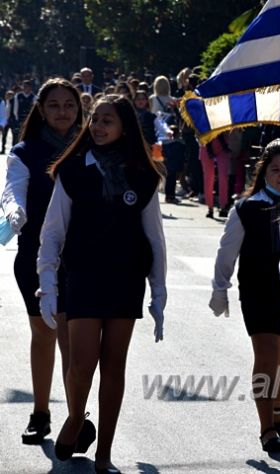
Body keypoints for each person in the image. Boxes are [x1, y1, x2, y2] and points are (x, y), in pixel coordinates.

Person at [37, 94, 167, 474]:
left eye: (107, 120)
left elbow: (155, 239)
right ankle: (76, 417)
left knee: (114, 366)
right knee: (81, 365)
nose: (98, 127)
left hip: (125, 281)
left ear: (125, 126)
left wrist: (159, 293)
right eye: (95, 120)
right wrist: (47, 283)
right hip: (83, 278)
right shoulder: (73, 171)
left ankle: (104, 453)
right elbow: (52, 232)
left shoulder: (144, 176)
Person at [1, 78, 83, 445]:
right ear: (41, 109)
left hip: (82, 258)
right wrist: (15, 213)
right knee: (44, 333)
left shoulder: (91, 147)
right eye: (54, 105)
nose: (62, 111)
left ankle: (75, 418)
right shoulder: (24, 151)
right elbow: (13, 190)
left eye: (69, 104)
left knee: (70, 338)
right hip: (35, 258)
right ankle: (41, 412)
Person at [209, 139, 280, 453]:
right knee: (266, 355)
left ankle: (277, 404)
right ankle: (267, 428)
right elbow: (226, 250)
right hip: (258, 290)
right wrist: (220, 288)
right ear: (263, 172)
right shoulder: (246, 208)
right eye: (276, 169)